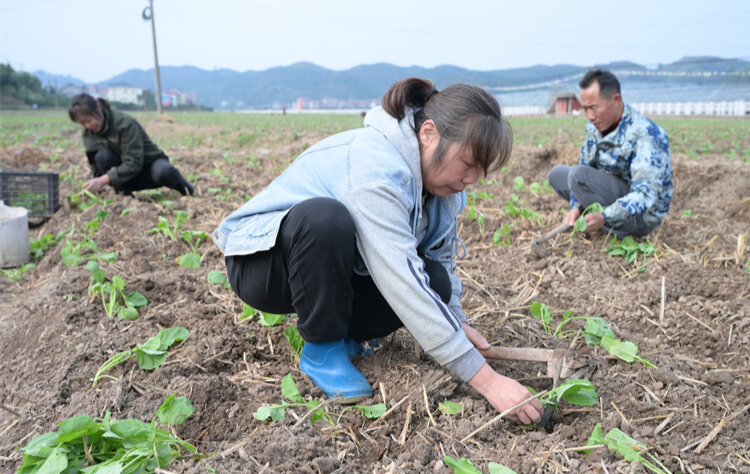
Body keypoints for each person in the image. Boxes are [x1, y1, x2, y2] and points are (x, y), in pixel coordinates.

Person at [214, 78, 543, 425]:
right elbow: (401, 280)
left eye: (481, 170)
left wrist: (457, 322)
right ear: (429, 133)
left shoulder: (443, 191)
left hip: (334, 268)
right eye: (468, 163)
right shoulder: (376, 170)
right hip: (263, 261)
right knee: (325, 219)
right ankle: (323, 350)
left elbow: (439, 261)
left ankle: (348, 340)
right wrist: (489, 382)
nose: (472, 179)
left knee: (436, 282)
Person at [548, 69, 673, 237]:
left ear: (616, 100)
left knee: (577, 176)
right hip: (608, 192)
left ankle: (615, 228)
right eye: (585, 109)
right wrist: (575, 208)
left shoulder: (646, 134)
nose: (589, 116)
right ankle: (592, 219)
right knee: (557, 175)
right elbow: (584, 165)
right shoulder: (594, 128)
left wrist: (605, 216)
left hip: (639, 218)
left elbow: (645, 195)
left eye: (593, 108)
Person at [68, 94, 194, 196]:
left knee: (164, 171)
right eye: (83, 123)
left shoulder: (124, 123)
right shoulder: (88, 133)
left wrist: (102, 180)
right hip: (123, 178)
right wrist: (92, 186)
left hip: (148, 169)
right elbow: (95, 164)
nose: (88, 126)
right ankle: (125, 197)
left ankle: (186, 191)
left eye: (89, 120)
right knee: (102, 156)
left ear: (98, 107)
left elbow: (134, 162)